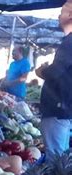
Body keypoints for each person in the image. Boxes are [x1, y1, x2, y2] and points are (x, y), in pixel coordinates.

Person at [36, 0, 72, 158]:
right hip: (64, 108)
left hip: (58, 108)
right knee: (60, 154)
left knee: (55, 156)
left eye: (63, 11)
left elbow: (55, 72)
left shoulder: (69, 42)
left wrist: (41, 71)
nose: (58, 15)